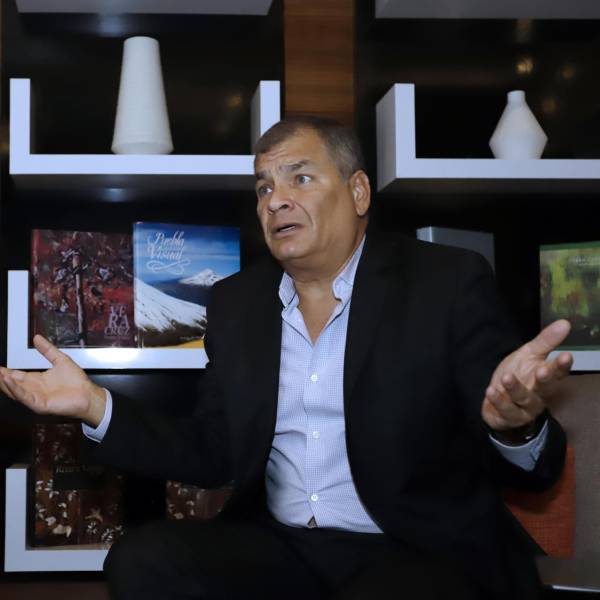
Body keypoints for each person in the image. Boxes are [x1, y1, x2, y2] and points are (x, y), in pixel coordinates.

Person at [1, 116, 573, 600]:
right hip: (283, 545)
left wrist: (514, 427)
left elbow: (533, 466)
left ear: (358, 192)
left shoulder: (444, 282)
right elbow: (213, 450)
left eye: (299, 177)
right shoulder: (236, 304)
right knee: (142, 560)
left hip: (414, 545)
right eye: (263, 187)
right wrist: (95, 405)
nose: (276, 200)